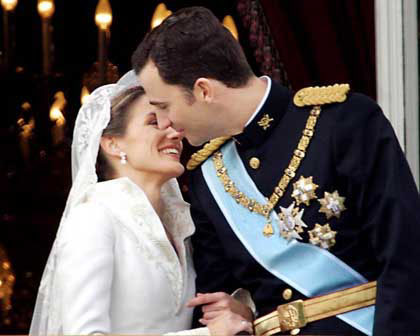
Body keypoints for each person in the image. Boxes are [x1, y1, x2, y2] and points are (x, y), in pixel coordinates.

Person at [131, 6, 420, 336]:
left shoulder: (343, 122)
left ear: (204, 91)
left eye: (164, 107)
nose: (166, 124)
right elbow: (216, 300)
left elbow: (405, 259)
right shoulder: (207, 178)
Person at [29, 80, 254, 335]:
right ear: (113, 143)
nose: (175, 133)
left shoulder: (182, 225)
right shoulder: (93, 218)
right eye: (153, 122)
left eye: (171, 122)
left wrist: (240, 312)